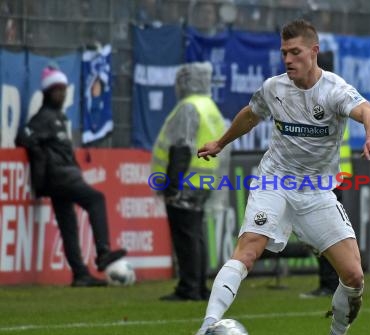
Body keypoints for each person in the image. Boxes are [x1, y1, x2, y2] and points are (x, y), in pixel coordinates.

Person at [185, 19, 370, 335]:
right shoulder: (273, 88)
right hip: (274, 182)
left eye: (295, 52)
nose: (288, 60)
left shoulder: (334, 91)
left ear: (313, 51)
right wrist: (220, 142)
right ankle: (207, 327)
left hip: (317, 193)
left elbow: (367, 111)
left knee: (353, 276)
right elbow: (251, 114)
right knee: (247, 250)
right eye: (284, 53)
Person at [15, 65, 127, 287]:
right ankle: (103, 252)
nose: (62, 93)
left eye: (64, 89)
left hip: (61, 177)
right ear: (47, 92)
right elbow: (23, 136)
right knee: (96, 199)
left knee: (68, 223)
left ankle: (80, 274)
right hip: (58, 176)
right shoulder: (44, 117)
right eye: (57, 89)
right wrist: (40, 156)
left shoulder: (58, 117)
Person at [151, 62, 227, 301]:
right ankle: (200, 286)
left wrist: (171, 184)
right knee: (196, 234)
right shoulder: (210, 107)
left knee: (185, 236)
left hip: (185, 180)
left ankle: (189, 287)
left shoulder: (188, 107)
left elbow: (182, 146)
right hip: (204, 180)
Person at [300, 51, 352, 299]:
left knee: (326, 233)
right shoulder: (338, 91)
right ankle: (332, 281)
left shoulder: (323, 94)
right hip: (334, 175)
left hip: (324, 177)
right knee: (329, 232)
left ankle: (330, 282)